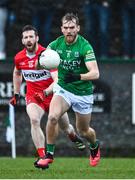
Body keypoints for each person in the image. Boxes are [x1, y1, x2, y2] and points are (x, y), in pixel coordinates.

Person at [9, 25, 86, 167]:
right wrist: (16, 92)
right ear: (22, 41)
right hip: (33, 96)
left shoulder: (48, 55)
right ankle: (43, 156)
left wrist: (45, 92)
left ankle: (73, 136)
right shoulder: (19, 58)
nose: (29, 39)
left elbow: (57, 80)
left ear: (37, 38)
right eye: (26, 37)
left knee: (66, 127)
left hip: (52, 96)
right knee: (34, 120)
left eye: (31, 36)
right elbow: (17, 73)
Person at [36, 13, 100, 169]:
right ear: (61, 29)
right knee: (52, 117)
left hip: (83, 92)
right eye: (66, 28)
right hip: (63, 88)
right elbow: (39, 65)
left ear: (78, 28)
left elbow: (95, 73)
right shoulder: (55, 44)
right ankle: (49, 155)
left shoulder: (85, 46)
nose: (69, 31)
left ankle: (94, 146)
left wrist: (78, 76)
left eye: (72, 27)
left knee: (84, 131)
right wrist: (43, 61)